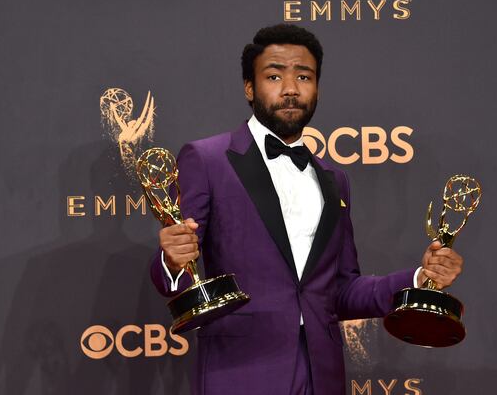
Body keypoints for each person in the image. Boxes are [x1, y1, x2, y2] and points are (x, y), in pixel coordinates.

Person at [150, 24, 464, 395]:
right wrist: (172, 262)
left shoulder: (334, 179)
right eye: (273, 76)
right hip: (241, 372)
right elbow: (180, 274)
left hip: (322, 375)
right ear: (249, 88)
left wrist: (419, 278)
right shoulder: (207, 159)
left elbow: (344, 290)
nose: (290, 89)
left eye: (304, 76)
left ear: (316, 87)